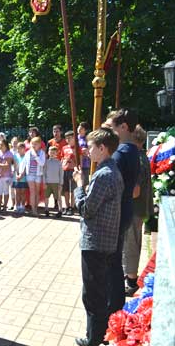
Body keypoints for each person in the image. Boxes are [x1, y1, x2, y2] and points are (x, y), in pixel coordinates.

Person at [73, 127, 123, 346]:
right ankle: (99, 334)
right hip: (105, 240)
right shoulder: (111, 169)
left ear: (102, 148)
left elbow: (86, 209)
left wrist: (79, 186)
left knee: (93, 294)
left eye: (91, 147)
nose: (87, 150)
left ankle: (93, 339)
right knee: (99, 291)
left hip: (96, 242)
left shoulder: (103, 175)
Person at [103, 108, 140, 315]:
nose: (108, 132)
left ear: (123, 127)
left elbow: (110, 188)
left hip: (115, 213)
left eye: (112, 128)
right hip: (124, 210)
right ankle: (115, 308)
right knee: (115, 262)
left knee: (111, 265)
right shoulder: (132, 149)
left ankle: (112, 309)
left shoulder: (121, 153)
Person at [123, 125, 153, 296]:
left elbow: (135, 191)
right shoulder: (142, 156)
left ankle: (131, 282)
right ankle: (129, 276)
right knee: (131, 243)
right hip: (138, 208)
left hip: (134, 208)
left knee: (131, 244)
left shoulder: (137, 159)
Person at [19, 136, 46, 216]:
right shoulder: (28, 153)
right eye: (32, 144)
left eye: (36, 144)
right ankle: (33, 210)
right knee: (32, 192)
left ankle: (35, 207)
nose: (33, 145)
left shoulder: (42, 153)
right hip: (30, 174)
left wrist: (36, 156)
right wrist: (21, 173)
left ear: (40, 145)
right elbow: (23, 163)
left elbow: (42, 163)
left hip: (38, 175)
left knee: (37, 192)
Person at [60, 131, 79, 215]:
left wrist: (78, 168)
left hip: (73, 170)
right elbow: (62, 158)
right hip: (65, 170)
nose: (67, 140)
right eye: (66, 138)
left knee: (72, 190)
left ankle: (72, 206)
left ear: (74, 138)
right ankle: (67, 206)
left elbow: (80, 160)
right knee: (66, 190)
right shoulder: (64, 148)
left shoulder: (78, 148)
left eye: (69, 138)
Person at [43, 146, 64, 218]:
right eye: (51, 152)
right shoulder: (46, 162)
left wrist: (61, 183)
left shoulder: (59, 163)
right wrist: (44, 182)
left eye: (54, 153)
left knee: (58, 197)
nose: (52, 154)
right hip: (48, 183)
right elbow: (44, 173)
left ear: (56, 153)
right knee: (46, 197)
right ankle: (46, 209)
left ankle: (60, 210)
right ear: (48, 153)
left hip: (56, 183)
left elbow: (61, 173)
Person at [0, 140, 14, 211]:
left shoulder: (9, 153)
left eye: (1, 144)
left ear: (5, 145)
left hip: (6, 175)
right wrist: (3, 165)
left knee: (5, 191)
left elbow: (8, 165)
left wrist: (2, 167)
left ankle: (5, 206)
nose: (0, 146)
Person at [12, 142, 28, 214]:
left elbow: (25, 167)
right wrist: (17, 175)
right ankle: (17, 206)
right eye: (17, 148)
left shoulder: (26, 156)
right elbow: (15, 167)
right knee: (17, 193)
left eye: (20, 148)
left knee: (23, 193)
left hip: (24, 177)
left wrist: (21, 175)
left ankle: (22, 206)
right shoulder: (15, 156)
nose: (18, 150)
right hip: (16, 177)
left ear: (24, 149)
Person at [78, 122, 91, 186]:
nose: (79, 129)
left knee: (85, 182)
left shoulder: (88, 139)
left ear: (85, 130)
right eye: (79, 127)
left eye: (81, 128)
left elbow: (91, 148)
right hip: (76, 162)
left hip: (85, 163)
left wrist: (86, 150)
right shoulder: (75, 138)